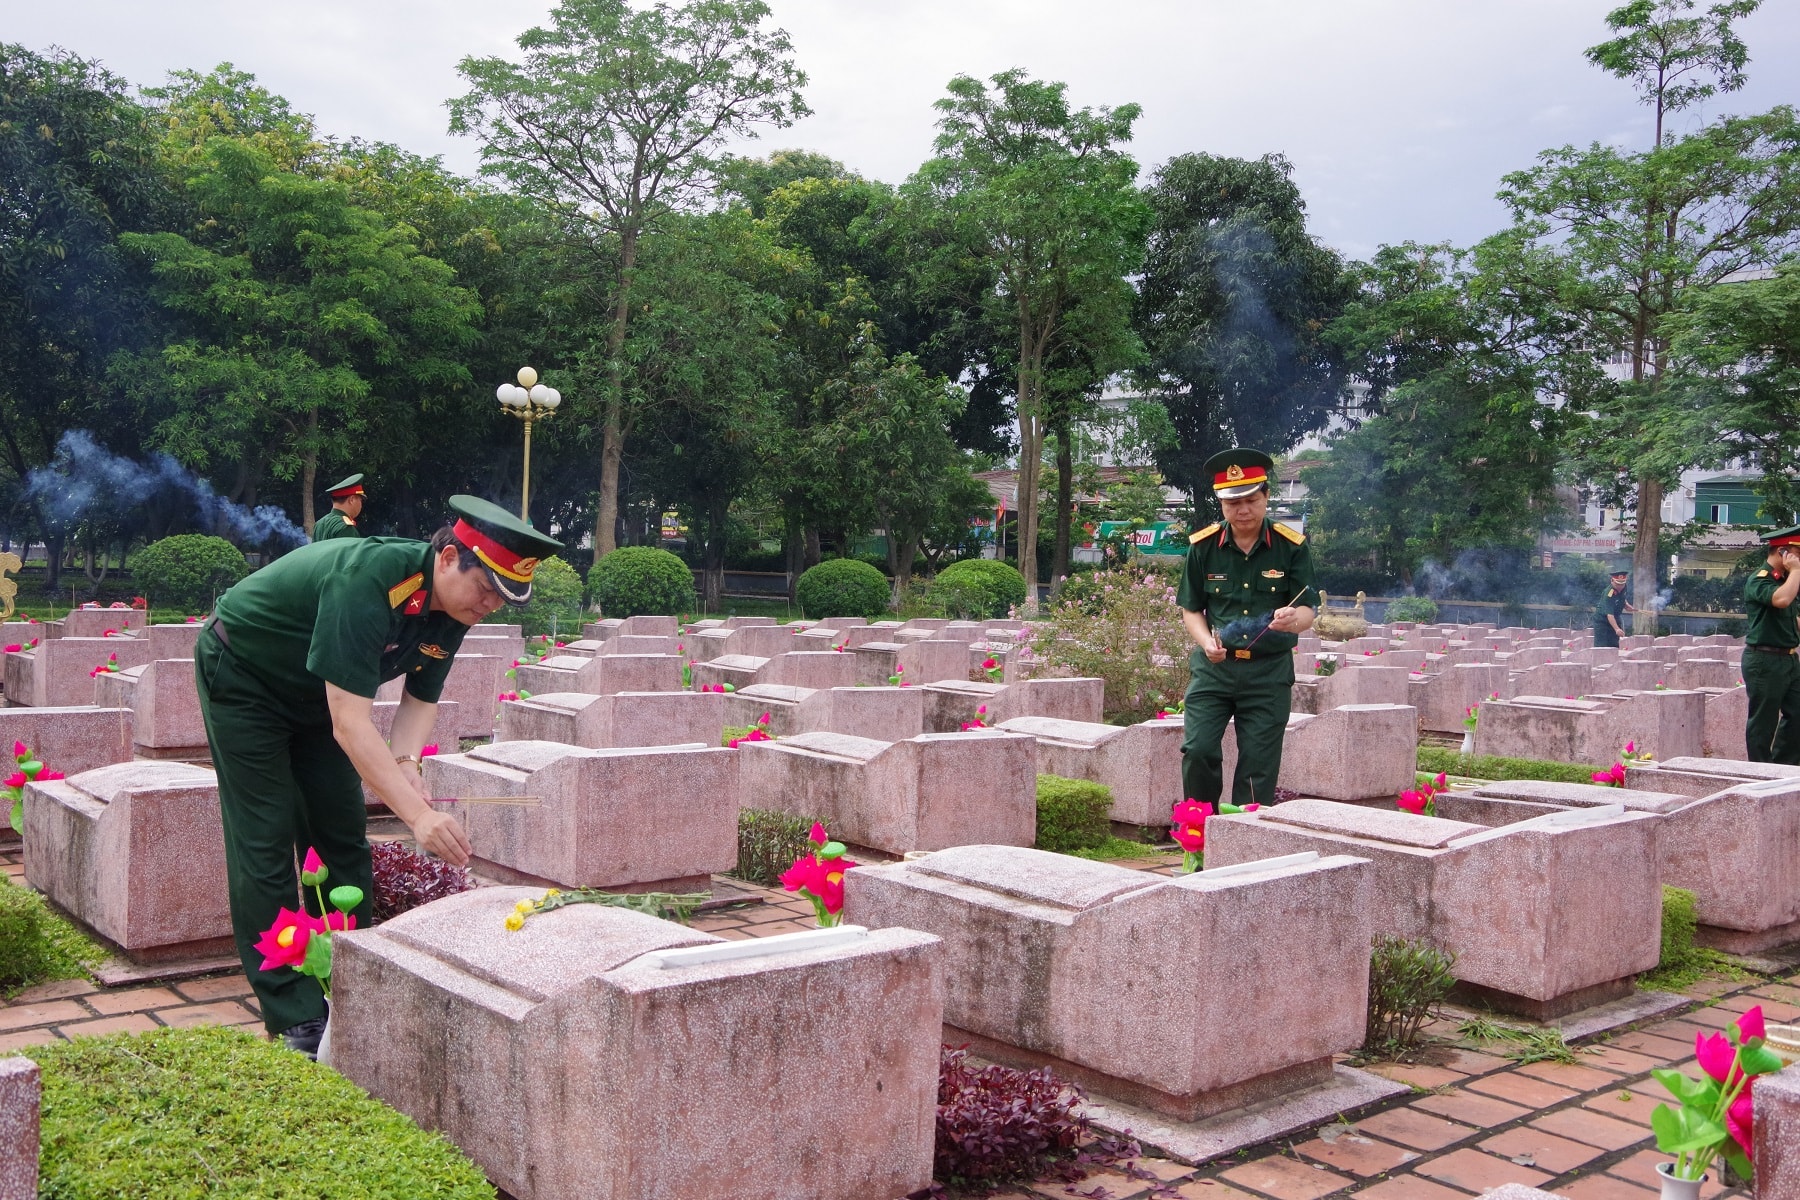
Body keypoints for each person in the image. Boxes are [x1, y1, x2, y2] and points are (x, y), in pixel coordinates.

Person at [195, 495, 562, 1056]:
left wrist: (408, 766)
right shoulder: (370, 580)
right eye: (485, 588)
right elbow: (350, 722)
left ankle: (351, 976)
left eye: (501, 598)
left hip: (318, 695)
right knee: (264, 836)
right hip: (247, 677)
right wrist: (416, 815)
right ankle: (294, 1012)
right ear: (447, 559)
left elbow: (419, 699)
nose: (489, 605)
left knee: (340, 834)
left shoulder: (454, 610)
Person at [1176, 448, 1316, 809]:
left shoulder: (1291, 547)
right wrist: (1207, 642)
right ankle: (1200, 831)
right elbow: (1191, 609)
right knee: (1199, 749)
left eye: (1251, 500)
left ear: (1266, 497)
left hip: (1267, 674)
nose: (1242, 510)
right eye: (1232, 502)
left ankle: (1244, 841)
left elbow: (1306, 610)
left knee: (1257, 767)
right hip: (1214, 670)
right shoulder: (1203, 546)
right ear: (1220, 503)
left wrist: (1292, 619)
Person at [1742, 525, 1800, 764]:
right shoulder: (1759, 579)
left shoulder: (1787, 580)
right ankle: (1760, 772)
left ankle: (1785, 767)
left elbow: (1791, 618)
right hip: (1763, 660)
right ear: (1784, 553)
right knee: (1763, 721)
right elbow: (1782, 600)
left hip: (1788, 659)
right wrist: (1795, 570)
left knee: (1797, 714)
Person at [312, 474, 367, 540]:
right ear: (352, 500)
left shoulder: (319, 524)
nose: (361, 505)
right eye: (361, 500)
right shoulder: (345, 527)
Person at [1592, 570, 1633, 648]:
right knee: (1601, 646)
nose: (1620, 587)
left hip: (1615, 617)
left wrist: (1626, 605)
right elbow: (1609, 615)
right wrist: (1617, 629)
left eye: (1622, 584)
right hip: (1602, 620)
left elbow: (1622, 597)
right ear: (1612, 581)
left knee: (1614, 644)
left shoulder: (1624, 587)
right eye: (1617, 584)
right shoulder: (1609, 594)